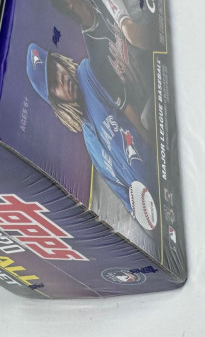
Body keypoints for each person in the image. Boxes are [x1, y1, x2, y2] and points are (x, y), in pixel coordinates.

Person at [25, 42, 154, 216]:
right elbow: (129, 201)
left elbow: (137, 111)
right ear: (55, 101)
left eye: (55, 68)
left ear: (60, 62)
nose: (61, 78)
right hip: (157, 209)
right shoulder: (90, 143)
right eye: (54, 84)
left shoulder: (89, 74)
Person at [39, 0, 153, 126]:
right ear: (66, 3)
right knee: (147, 120)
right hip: (154, 93)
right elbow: (130, 111)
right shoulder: (95, 57)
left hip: (157, 44)